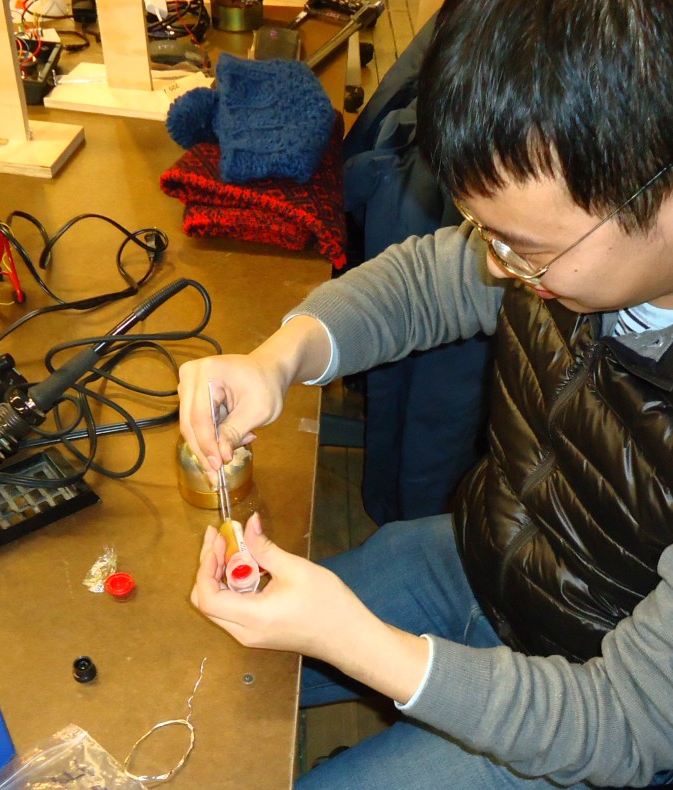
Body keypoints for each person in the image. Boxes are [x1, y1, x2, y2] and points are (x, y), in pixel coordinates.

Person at [177, 0, 673, 787]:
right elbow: (427, 280)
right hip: (486, 554)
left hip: (594, 700)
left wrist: (365, 647)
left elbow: (627, 722)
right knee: (194, 663)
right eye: (490, 234)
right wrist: (280, 358)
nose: (499, 266)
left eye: (527, 250)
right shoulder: (565, 246)